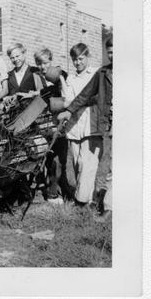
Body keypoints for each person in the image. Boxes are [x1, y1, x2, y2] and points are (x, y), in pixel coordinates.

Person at [58, 37, 113, 222]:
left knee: (87, 164)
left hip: (92, 123)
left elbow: (98, 97)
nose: (78, 62)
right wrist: (72, 105)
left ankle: (81, 202)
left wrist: (78, 102)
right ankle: (87, 199)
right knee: (76, 164)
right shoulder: (70, 78)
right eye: (75, 59)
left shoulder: (97, 73)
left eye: (81, 58)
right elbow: (68, 99)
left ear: (87, 57)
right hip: (74, 125)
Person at [33, 47, 73, 203]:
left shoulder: (59, 76)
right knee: (50, 158)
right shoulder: (39, 77)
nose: (43, 66)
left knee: (61, 158)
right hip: (46, 122)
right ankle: (52, 192)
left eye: (45, 63)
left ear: (51, 61)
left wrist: (60, 77)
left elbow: (67, 96)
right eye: (39, 63)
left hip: (60, 122)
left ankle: (62, 186)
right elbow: (40, 95)